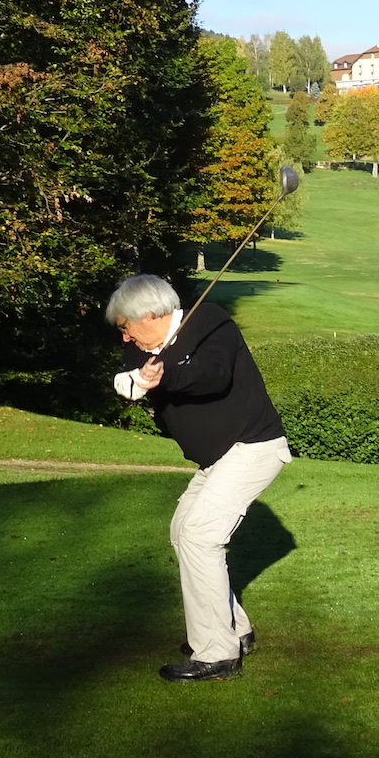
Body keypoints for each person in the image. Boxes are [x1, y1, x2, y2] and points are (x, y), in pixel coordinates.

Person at [107, 274, 292, 682]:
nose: (124, 338)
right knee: (182, 532)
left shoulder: (208, 320)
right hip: (218, 458)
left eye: (125, 327)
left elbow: (214, 374)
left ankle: (217, 654)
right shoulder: (142, 349)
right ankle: (235, 631)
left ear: (150, 315)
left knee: (199, 534)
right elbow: (128, 378)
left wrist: (165, 375)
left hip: (253, 446)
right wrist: (137, 382)